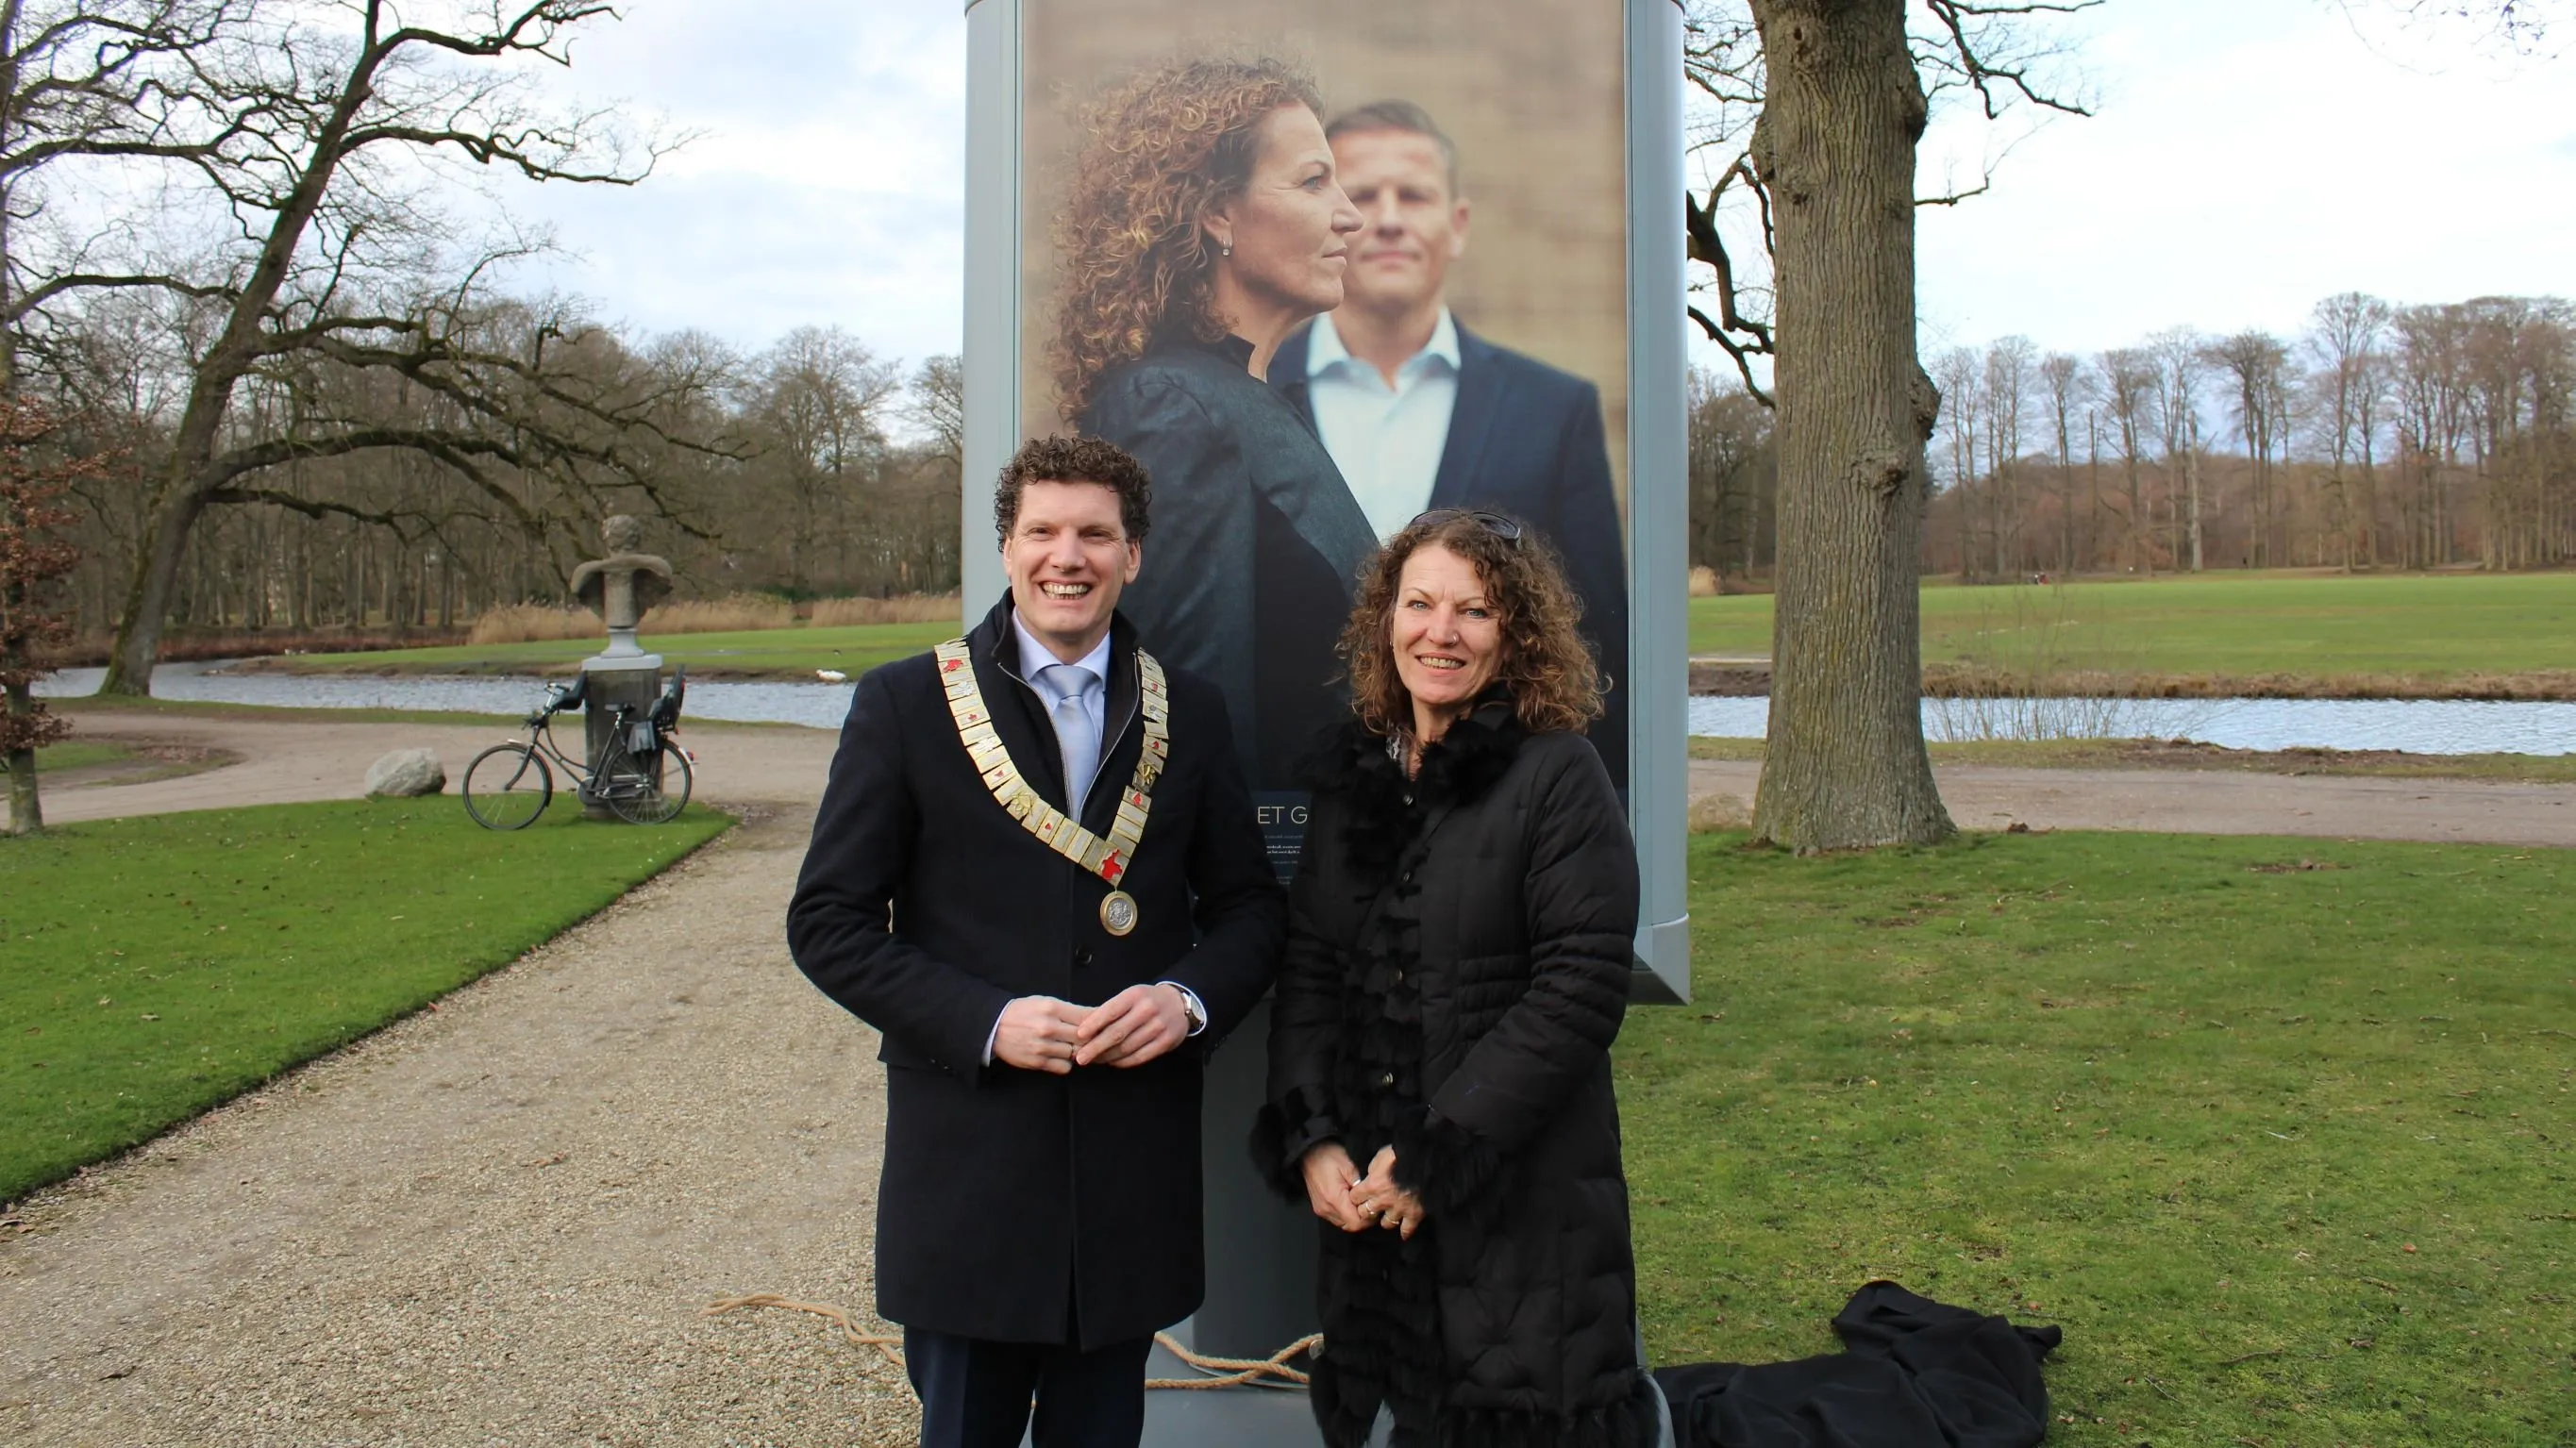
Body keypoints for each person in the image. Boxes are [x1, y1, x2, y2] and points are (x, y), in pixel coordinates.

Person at [786, 436, 1285, 1448]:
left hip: (1130, 1176)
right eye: (1044, 531)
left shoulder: (1191, 710)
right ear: (1007, 548)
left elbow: (1250, 909)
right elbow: (827, 922)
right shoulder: (905, 703)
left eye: (1095, 533)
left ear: (1132, 554)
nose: (1069, 556)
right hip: (970, 1172)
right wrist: (985, 1019)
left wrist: (1185, 1001)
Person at [1251, 509, 1659, 1446]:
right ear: (1385, 618)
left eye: (1474, 611)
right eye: (1420, 603)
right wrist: (1312, 1137)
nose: (1442, 632)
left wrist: (1437, 1155)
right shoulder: (1354, 777)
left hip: (1523, 1205)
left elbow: (1580, 986)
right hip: (1374, 1208)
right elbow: (1310, 967)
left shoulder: (1559, 774)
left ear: (1515, 634)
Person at [1269, 100, 1631, 785]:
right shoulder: (1243, 397)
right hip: (1297, 802)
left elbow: (1596, 647)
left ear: (1457, 224)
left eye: (1413, 195)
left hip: (1494, 805)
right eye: (1362, 194)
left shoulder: (1554, 411)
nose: (1388, 218)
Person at [1054, 57, 1380, 792]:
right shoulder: (1172, 406)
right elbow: (1182, 726)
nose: (1349, 214)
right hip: (1257, 859)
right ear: (1217, 212)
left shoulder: (1248, 397)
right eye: (1312, 181)